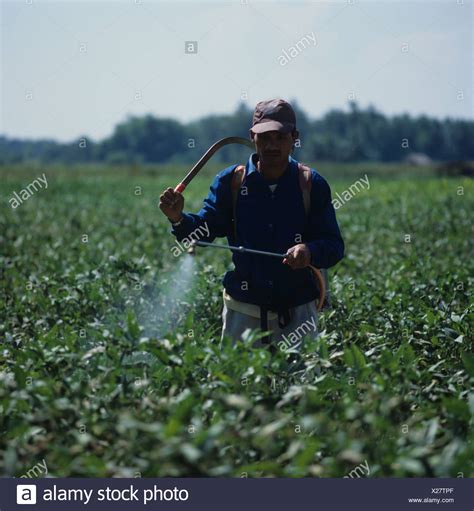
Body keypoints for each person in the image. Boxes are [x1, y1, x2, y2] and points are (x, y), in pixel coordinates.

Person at [159, 98, 344, 354]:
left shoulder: (311, 184)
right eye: (264, 137)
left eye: (279, 137)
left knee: (300, 388)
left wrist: (309, 251)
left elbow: (333, 245)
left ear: (294, 137)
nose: (272, 145)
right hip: (243, 311)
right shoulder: (231, 183)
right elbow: (202, 233)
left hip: (298, 311)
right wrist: (178, 217)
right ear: (252, 137)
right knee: (238, 387)